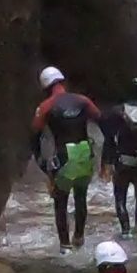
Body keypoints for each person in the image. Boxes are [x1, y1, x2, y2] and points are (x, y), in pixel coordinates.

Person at [29, 66, 103, 250]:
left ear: (46, 87)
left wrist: (41, 161)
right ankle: (79, 237)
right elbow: (101, 119)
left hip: (63, 155)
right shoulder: (83, 100)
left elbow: (34, 134)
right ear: (62, 81)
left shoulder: (46, 106)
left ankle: (65, 246)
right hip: (85, 151)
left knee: (60, 201)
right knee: (81, 198)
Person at [100, 77, 137, 235]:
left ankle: (125, 231)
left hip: (122, 160)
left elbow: (109, 139)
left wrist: (105, 162)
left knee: (120, 197)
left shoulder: (118, 112)